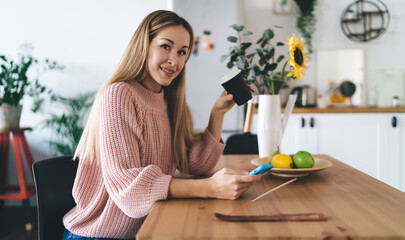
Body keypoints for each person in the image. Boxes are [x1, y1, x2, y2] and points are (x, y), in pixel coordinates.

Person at [62, 10, 261, 240]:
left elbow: (196, 165)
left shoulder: (168, 99)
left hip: (146, 227)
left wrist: (217, 115)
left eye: (182, 52)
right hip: (100, 235)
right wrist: (210, 188)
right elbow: (131, 192)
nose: (174, 61)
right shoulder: (119, 95)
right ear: (144, 44)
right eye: (165, 46)